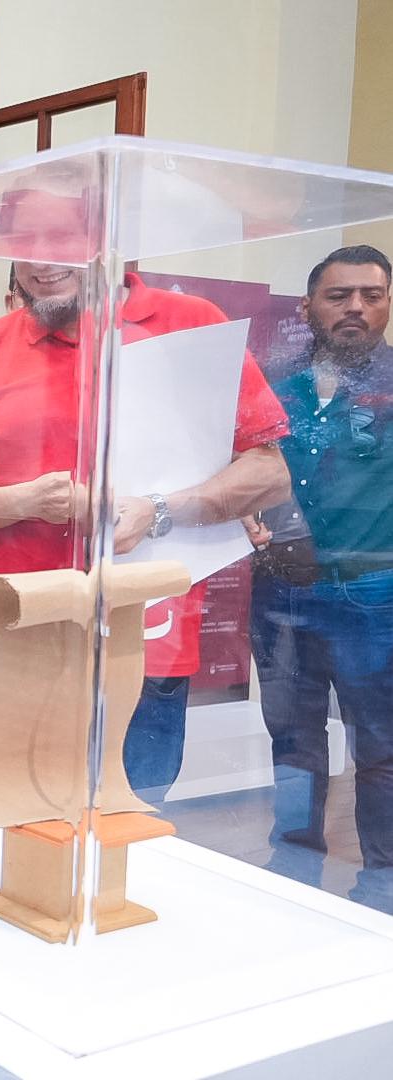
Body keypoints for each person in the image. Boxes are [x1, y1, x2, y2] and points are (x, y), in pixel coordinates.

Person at [0, 188, 291, 801]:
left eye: (62, 239)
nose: (42, 261)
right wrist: (28, 500)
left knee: (127, 825)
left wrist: (160, 511)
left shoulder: (191, 323)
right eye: (24, 243)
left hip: (144, 639)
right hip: (15, 634)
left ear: (106, 243)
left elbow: (269, 474)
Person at [250, 244, 393, 912]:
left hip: (374, 594)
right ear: (308, 306)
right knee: (292, 740)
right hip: (282, 590)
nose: (356, 307)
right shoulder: (272, 383)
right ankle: (292, 870)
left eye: (372, 295)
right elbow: (238, 468)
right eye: (339, 296)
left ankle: (382, 887)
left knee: (382, 748)